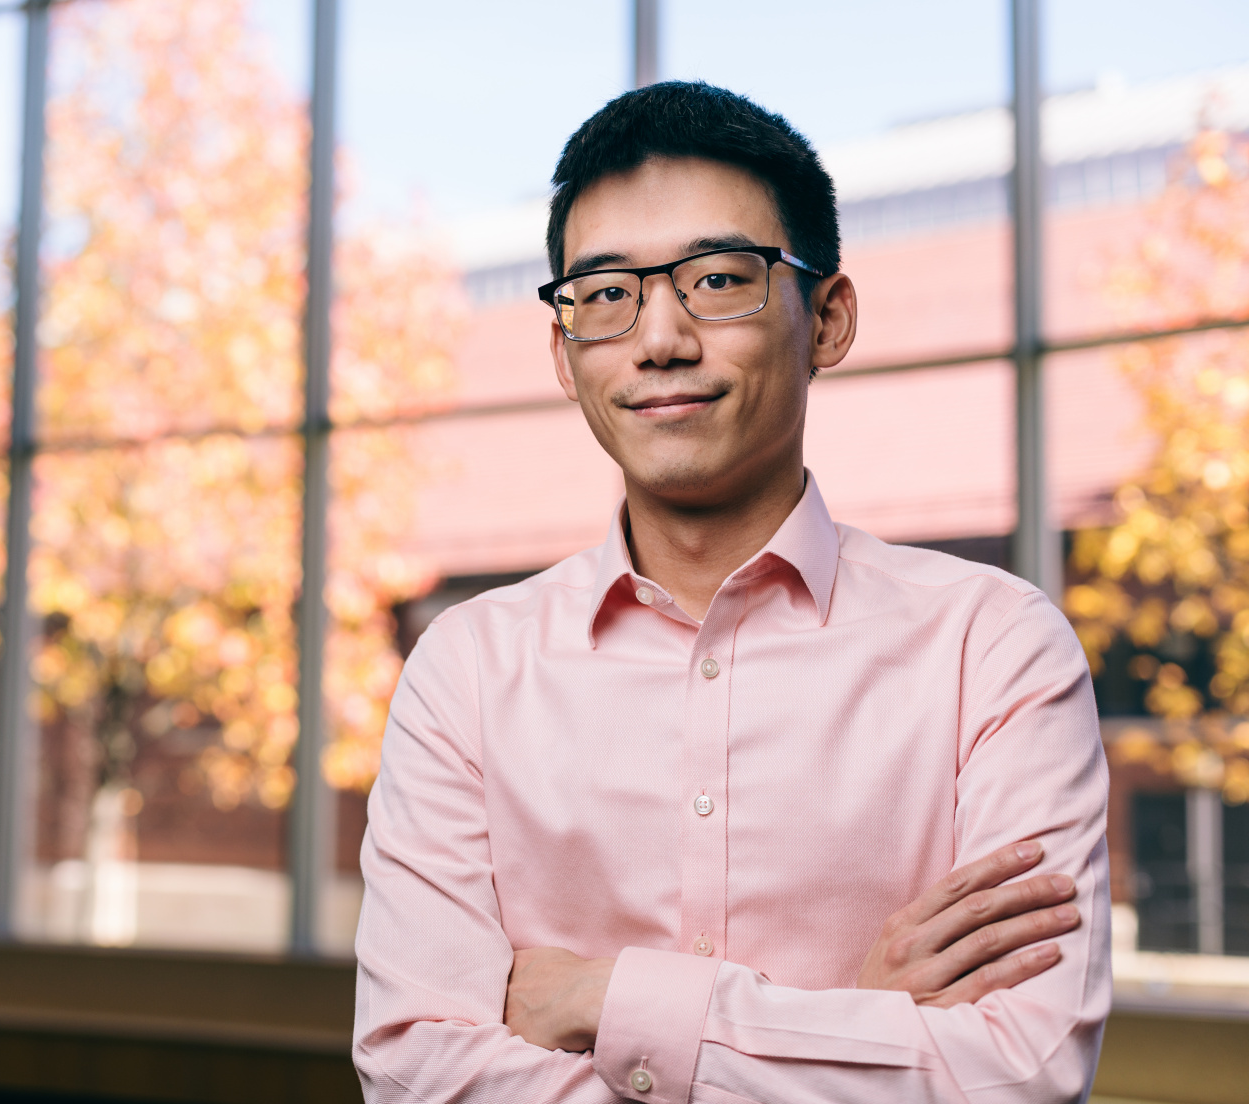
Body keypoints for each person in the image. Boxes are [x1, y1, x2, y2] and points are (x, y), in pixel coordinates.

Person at [352, 81, 1109, 1103]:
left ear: (829, 318)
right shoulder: (468, 668)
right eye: (606, 295)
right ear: (565, 357)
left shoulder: (995, 647)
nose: (658, 337)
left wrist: (603, 998)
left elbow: (1023, 1069)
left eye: (718, 279)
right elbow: (415, 1070)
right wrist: (857, 1024)